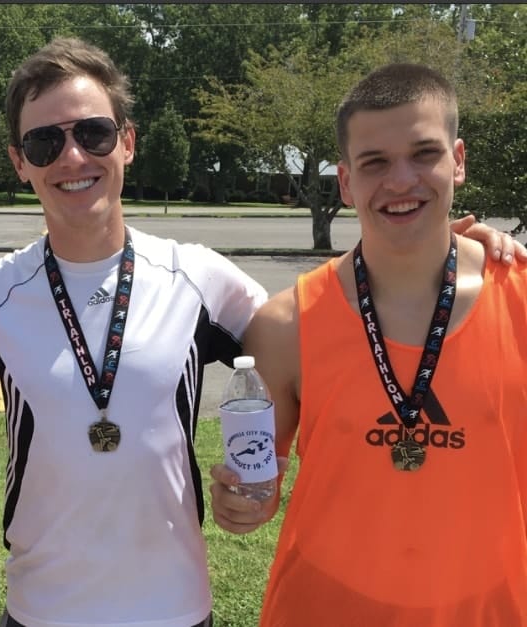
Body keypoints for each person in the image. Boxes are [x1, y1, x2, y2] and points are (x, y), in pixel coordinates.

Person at [0, 40, 525, 627]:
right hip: (40, 609)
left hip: (177, 607)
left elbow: (322, 324)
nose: (72, 156)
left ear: (127, 141)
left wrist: (444, 253)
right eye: (45, 142)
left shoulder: (201, 277)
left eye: (93, 134)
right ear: (19, 161)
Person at [210, 63, 527, 625]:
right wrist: (238, 503)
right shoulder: (284, 325)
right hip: (320, 607)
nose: (400, 180)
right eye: (375, 162)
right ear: (347, 181)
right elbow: (257, 490)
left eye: (423, 154)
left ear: (458, 161)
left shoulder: (520, 298)